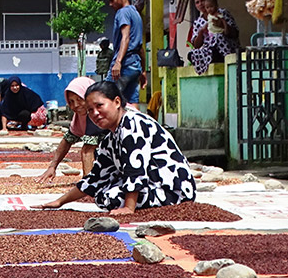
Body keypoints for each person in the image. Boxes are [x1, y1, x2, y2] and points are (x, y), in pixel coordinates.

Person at [36, 80, 196, 215]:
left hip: (173, 189)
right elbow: (96, 177)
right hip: (153, 184)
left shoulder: (132, 124)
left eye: (100, 106)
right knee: (101, 194)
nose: (95, 113)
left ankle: (134, 204)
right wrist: (59, 202)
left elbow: (135, 168)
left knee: (110, 197)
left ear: (117, 102)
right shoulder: (111, 136)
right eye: (90, 110)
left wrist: (128, 208)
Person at [38, 76, 105, 184]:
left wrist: (87, 187)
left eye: (79, 99)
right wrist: (52, 167)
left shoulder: (98, 113)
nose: (76, 105)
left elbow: (87, 150)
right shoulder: (80, 117)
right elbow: (67, 140)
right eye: (71, 102)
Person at [103, 0, 145, 105]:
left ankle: (107, 125)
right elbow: (140, 47)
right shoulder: (135, 13)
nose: (110, 4)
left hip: (124, 64)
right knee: (132, 103)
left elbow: (125, 37)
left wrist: (118, 62)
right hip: (135, 65)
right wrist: (143, 70)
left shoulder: (122, 12)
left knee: (106, 98)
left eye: (112, 0)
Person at [188, 0, 240, 76]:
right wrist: (201, 32)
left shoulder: (222, 13)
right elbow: (196, 45)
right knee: (192, 55)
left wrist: (222, 25)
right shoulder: (198, 22)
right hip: (208, 50)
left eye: (202, 0)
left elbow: (235, 33)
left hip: (224, 47)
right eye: (197, 2)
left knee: (217, 42)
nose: (200, 4)